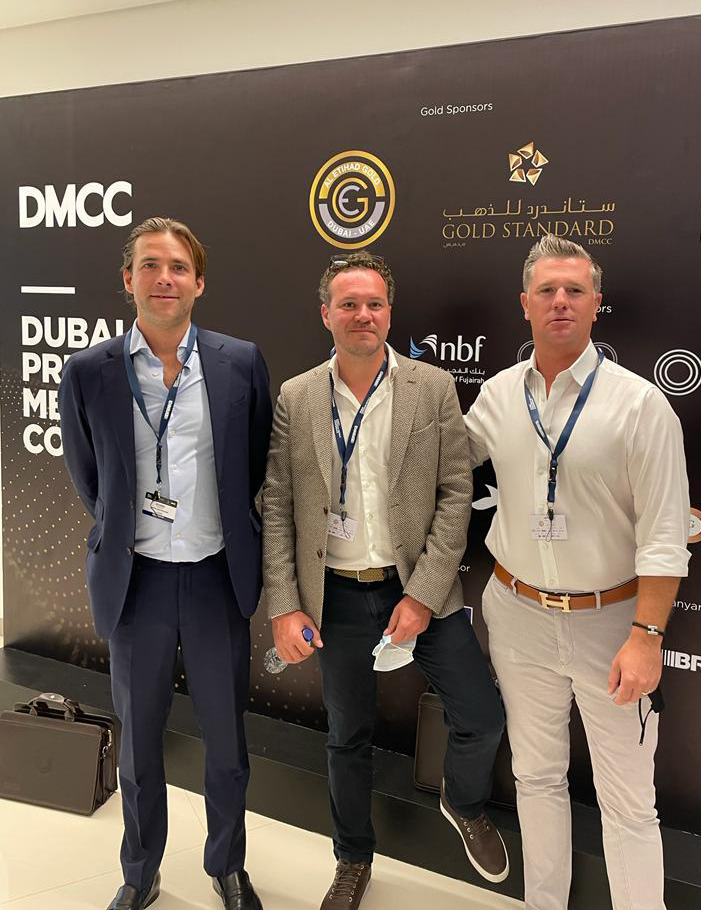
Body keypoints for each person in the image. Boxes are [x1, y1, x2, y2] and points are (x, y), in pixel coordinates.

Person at [261, 250, 508, 910]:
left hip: (421, 588)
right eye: (348, 304)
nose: (362, 314)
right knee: (347, 738)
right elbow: (278, 503)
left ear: (389, 314)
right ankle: (352, 859)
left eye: (373, 303)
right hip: (336, 595)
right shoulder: (297, 396)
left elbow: (456, 493)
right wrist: (284, 603)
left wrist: (422, 596)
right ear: (326, 314)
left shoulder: (433, 387)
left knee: (481, 717)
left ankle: (465, 802)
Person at [464, 234, 690, 910]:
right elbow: (440, 464)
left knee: (629, 803)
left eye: (574, 290)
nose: (560, 301)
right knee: (535, 779)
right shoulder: (498, 395)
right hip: (517, 614)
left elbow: (665, 536)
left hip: (613, 624)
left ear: (596, 304)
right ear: (525, 305)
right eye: (547, 291)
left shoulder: (641, 405)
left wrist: (647, 635)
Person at [59, 217, 272, 910]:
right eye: (149, 265)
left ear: (199, 282)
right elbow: (91, 478)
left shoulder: (240, 362)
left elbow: (254, 462)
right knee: (139, 745)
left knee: (227, 743)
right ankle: (140, 872)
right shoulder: (89, 371)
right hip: (137, 584)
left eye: (178, 266)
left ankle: (227, 866)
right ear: (128, 280)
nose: (164, 278)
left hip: (215, 579)